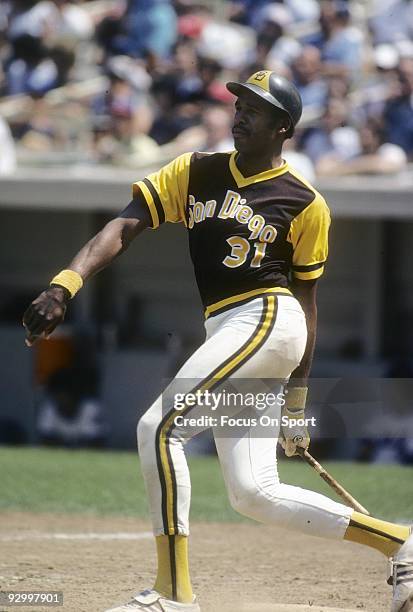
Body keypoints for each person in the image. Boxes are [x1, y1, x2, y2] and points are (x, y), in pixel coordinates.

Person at [23, 70, 413, 612]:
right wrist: (66, 283)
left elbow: (308, 303)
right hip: (233, 331)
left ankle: (173, 594)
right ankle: (402, 542)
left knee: (158, 428)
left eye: (255, 107)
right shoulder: (196, 171)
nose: (240, 114)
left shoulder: (305, 202)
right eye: (239, 103)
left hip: (268, 319)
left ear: (284, 127)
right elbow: (126, 224)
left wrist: (296, 404)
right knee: (252, 492)